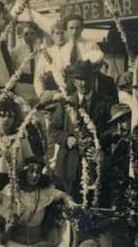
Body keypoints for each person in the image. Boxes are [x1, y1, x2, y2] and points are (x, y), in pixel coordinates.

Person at [49, 60, 117, 200]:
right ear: (73, 81)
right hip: (68, 167)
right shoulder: (65, 103)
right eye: (79, 79)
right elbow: (53, 130)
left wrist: (96, 140)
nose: (83, 83)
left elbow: (114, 130)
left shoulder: (106, 103)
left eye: (86, 79)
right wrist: (67, 138)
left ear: (93, 78)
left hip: (94, 166)